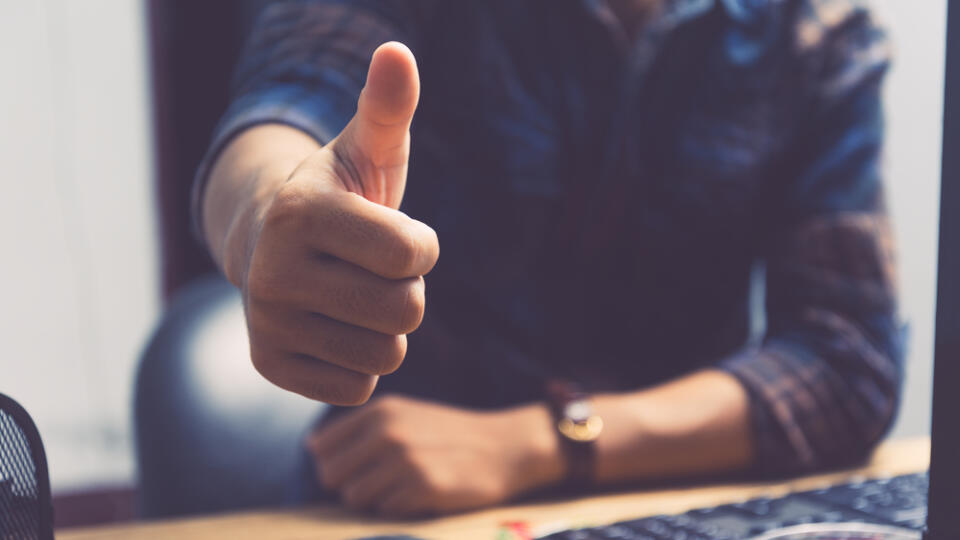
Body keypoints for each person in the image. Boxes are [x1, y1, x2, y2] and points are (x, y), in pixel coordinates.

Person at [195, 0, 903, 517]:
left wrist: (540, 443)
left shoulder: (817, 31)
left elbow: (848, 361)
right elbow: (284, 105)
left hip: (682, 502)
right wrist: (265, 221)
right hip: (401, 506)